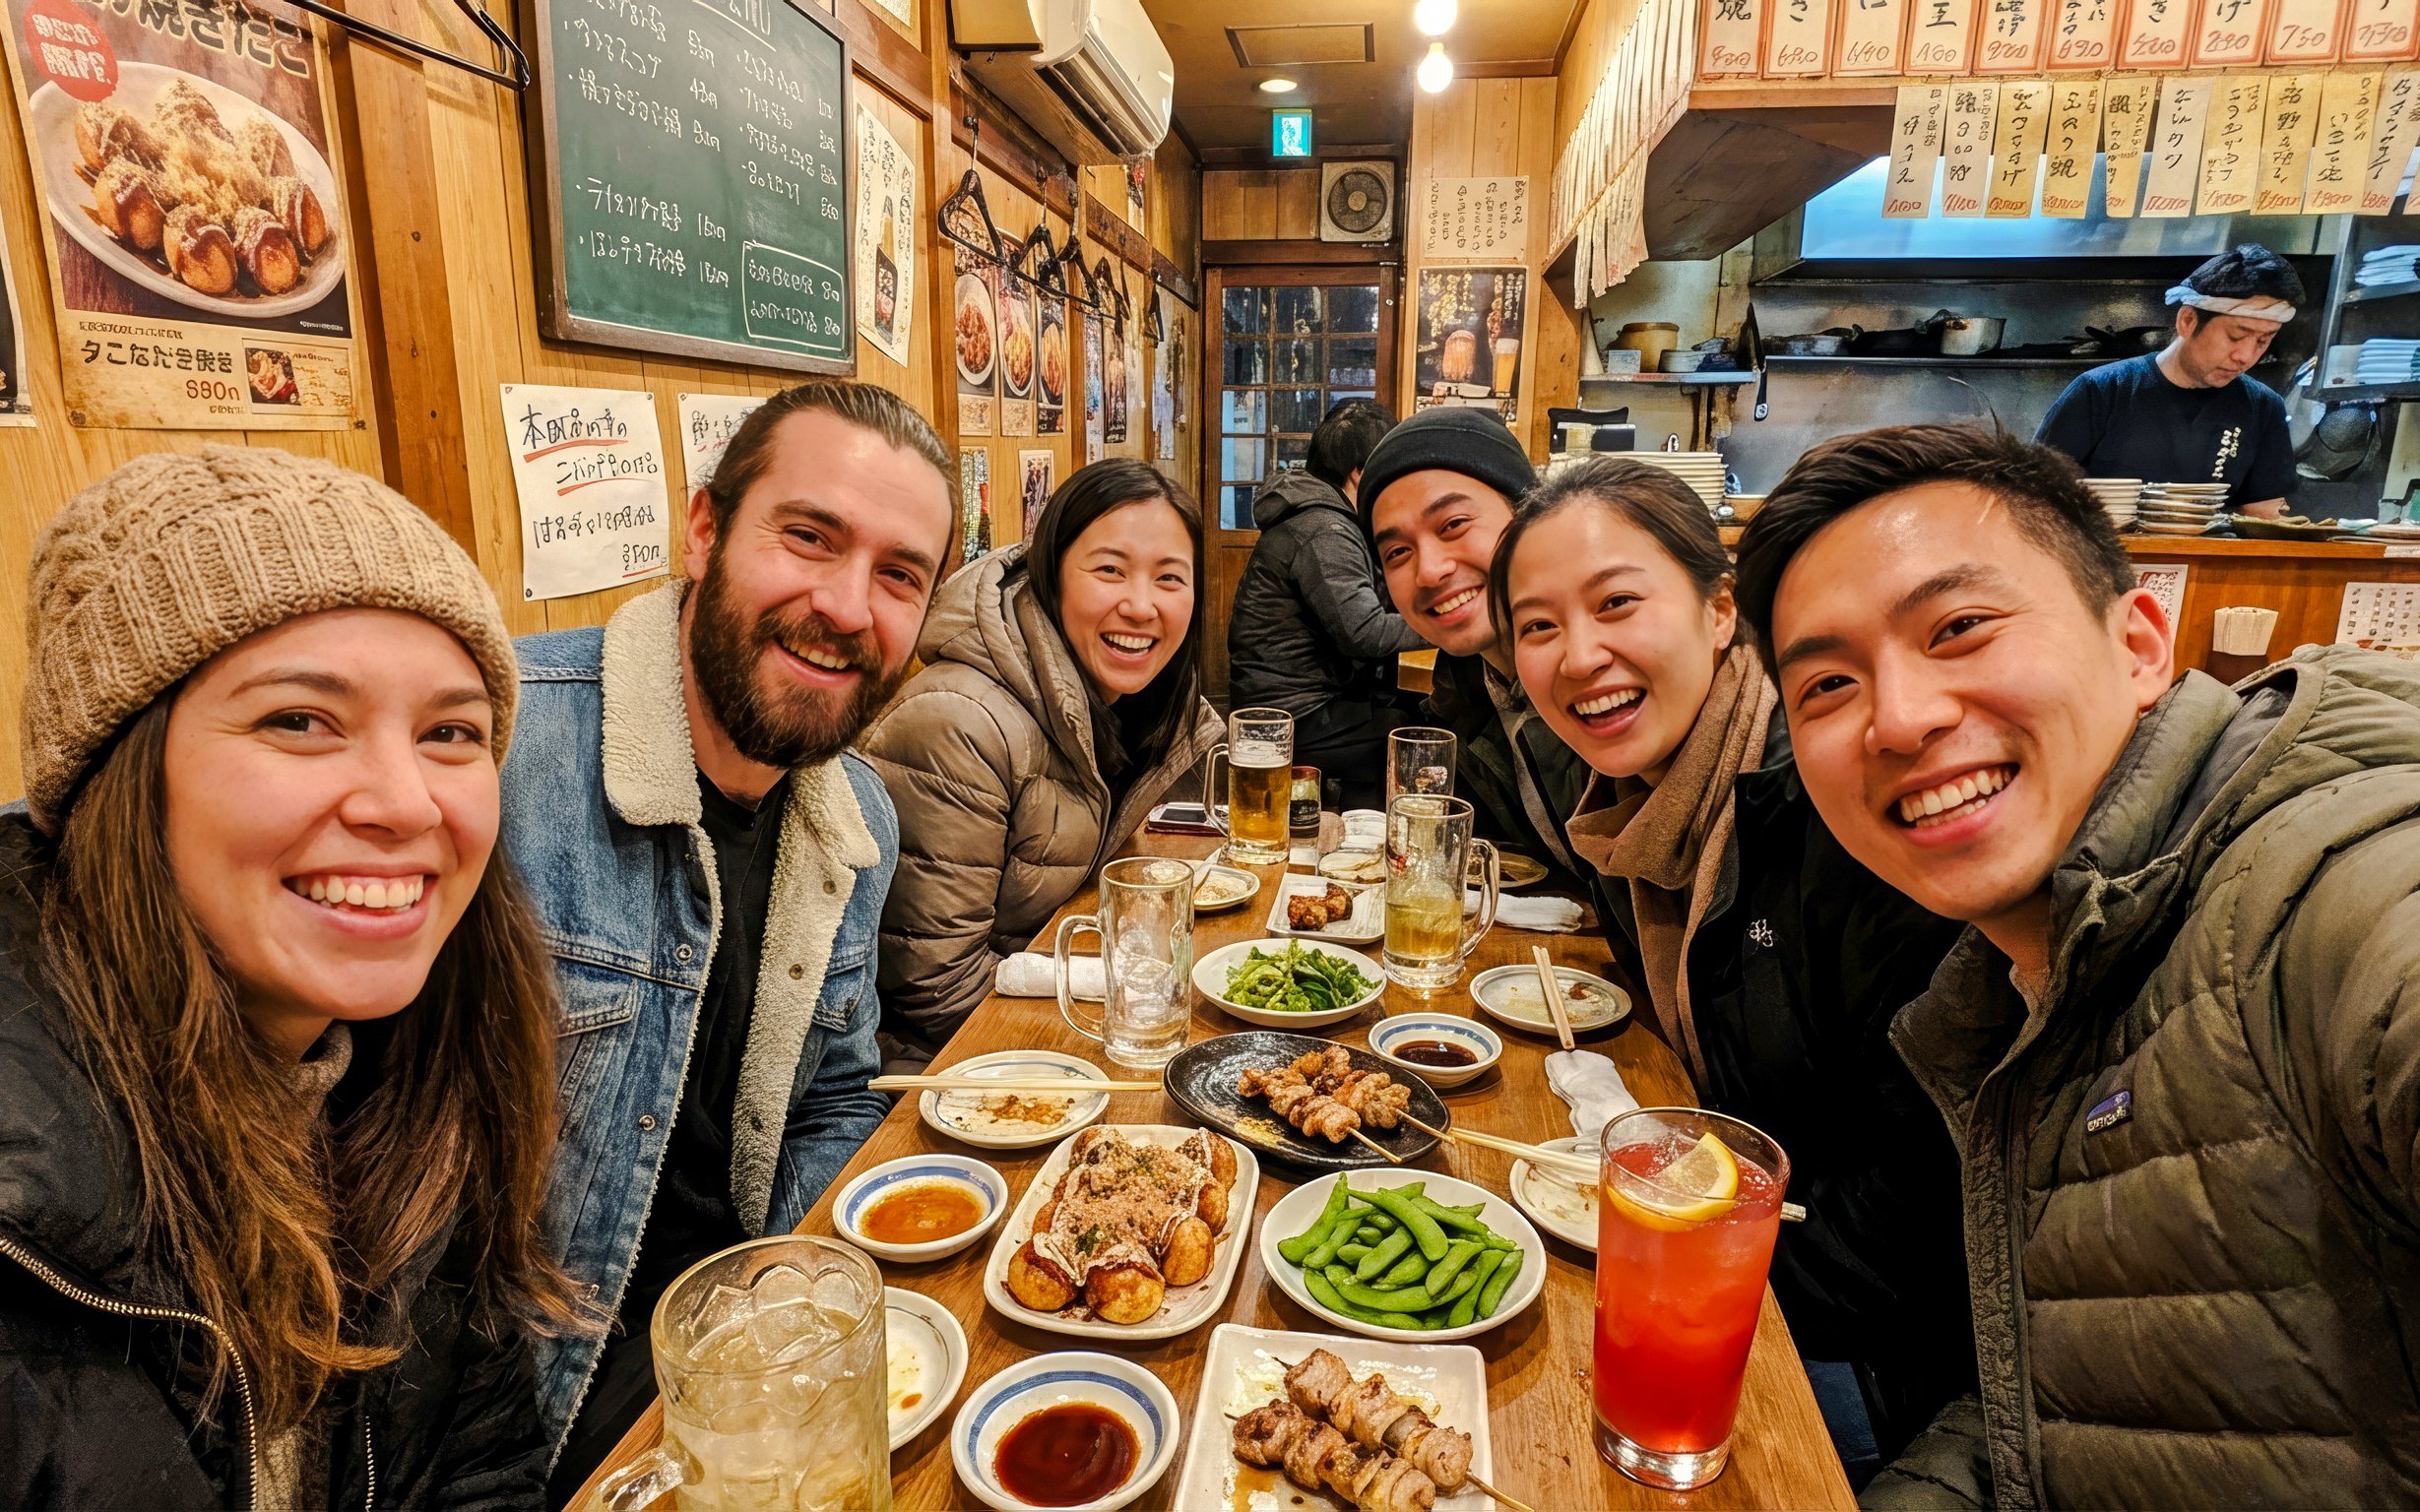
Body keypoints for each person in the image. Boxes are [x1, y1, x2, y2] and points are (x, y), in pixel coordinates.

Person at [1737, 422, 2420, 1508]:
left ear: (2141, 641)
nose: (1902, 719)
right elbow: (2078, 1406)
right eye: (1827, 686)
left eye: (1958, 627)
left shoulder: (2332, 890)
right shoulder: (2019, 985)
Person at [0, 447, 578, 1507]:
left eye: (451, 732)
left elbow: (483, 1467)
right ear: (118, 772)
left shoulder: (431, 1071)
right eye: (298, 721)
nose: (407, 804)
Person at [1488, 457, 1970, 1478]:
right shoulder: (1637, 807)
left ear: (1718, 610)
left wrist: (1683, 1265)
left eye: (1617, 602)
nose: (1579, 655)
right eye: (1537, 626)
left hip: (1871, 1358)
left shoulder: (1831, 793)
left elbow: (1930, 1200)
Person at [520, 380, 955, 1493]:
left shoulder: (854, 817)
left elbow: (835, 1093)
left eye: (899, 575)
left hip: (749, 1377)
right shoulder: (500, 755)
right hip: (534, 1422)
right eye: (809, 537)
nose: (849, 606)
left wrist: (787, 1319)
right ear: (703, 529)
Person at [862, 458, 1221, 1065]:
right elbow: (934, 988)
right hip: (941, 1062)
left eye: (1169, 578)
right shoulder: (957, 724)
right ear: (1050, 574)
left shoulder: (1127, 705)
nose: (1140, 606)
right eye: (1110, 569)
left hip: (1039, 1008)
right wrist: (1128, 1005)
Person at [1359, 406, 1587, 881]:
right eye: (1398, 552)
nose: (1429, 570)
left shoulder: (1603, 672)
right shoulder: (1466, 695)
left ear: (1528, 515)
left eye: (1454, 524)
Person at [1227, 400, 1428, 809]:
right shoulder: (1324, 528)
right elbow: (1365, 632)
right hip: (1285, 715)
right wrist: (1445, 624)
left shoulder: (1327, 516)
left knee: (1404, 708)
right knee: (1407, 733)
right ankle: (1361, 843)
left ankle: (1355, 835)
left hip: (1294, 702)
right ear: (1360, 471)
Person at [2035, 243, 2302, 517]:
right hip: (2098, 556)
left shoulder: (2264, 407)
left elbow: (2263, 515)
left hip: (2205, 558)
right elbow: (2033, 493)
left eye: (2263, 340)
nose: (2245, 356)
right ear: (2187, 321)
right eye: (2235, 336)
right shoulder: (2101, 391)